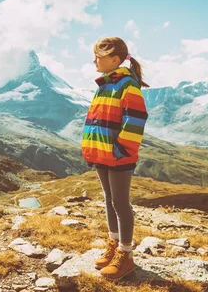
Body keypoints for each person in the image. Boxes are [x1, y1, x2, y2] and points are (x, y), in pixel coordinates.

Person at [81, 36, 149, 280]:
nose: (94, 61)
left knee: (120, 203)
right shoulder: (105, 84)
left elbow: (137, 118)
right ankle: (114, 245)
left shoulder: (127, 85)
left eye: (98, 57)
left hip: (118, 156)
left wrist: (120, 150)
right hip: (103, 153)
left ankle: (126, 255)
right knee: (109, 200)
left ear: (115, 59)